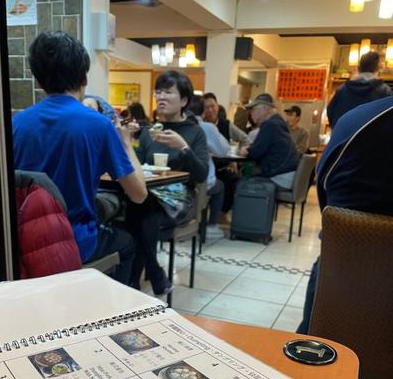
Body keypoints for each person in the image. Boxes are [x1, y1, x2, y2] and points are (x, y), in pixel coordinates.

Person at [12, 31, 147, 285]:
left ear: (39, 81)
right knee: (129, 243)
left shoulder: (15, 124)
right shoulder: (99, 125)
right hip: (74, 241)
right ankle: (114, 313)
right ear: (84, 78)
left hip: (23, 243)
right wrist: (127, 144)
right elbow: (139, 194)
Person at [297, 95, 393, 340]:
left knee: (335, 251)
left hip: (344, 295)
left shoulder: (360, 122)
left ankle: (309, 344)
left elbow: (330, 209)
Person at [127, 70, 209, 293]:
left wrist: (183, 148)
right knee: (140, 209)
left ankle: (135, 282)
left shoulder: (195, 133)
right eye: (158, 91)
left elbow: (201, 175)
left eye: (168, 92)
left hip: (181, 199)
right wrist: (126, 139)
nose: (161, 97)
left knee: (139, 212)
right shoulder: (149, 132)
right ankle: (152, 273)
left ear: (183, 100)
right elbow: (139, 170)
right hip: (150, 197)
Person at [187, 94, 230, 237]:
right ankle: (212, 225)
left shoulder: (177, 127)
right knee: (220, 186)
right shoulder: (207, 127)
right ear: (203, 111)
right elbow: (223, 151)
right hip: (203, 182)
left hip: (179, 181)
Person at [239, 93, 299, 191]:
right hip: (288, 176)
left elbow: (256, 152)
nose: (251, 114)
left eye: (254, 109)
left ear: (265, 108)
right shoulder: (278, 121)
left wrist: (246, 151)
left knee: (240, 184)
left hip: (279, 178)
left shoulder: (269, 125)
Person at [327, 51, 392, 129]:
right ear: (378, 68)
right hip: (372, 140)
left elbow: (330, 112)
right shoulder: (384, 91)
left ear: (358, 67)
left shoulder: (342, 89)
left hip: (344, 139)